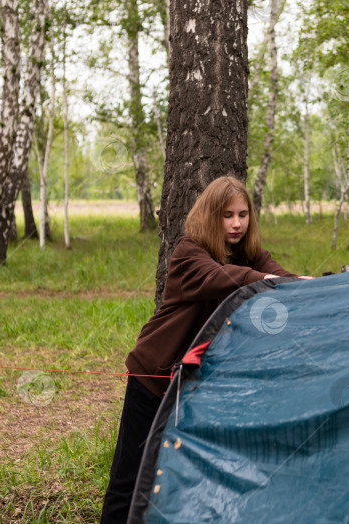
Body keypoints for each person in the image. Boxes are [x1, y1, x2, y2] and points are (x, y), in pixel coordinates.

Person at [101, 176, 307, 522]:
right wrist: (274, 281)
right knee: (131, 475)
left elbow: (279, 276)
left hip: (194, 385)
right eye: (228, 215)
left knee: (177, 474)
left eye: (243, 214)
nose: (237, 223)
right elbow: (227, 278)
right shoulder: (188, 253)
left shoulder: (249, 253)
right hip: (154, 376)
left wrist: (309, 284)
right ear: (211, 215)